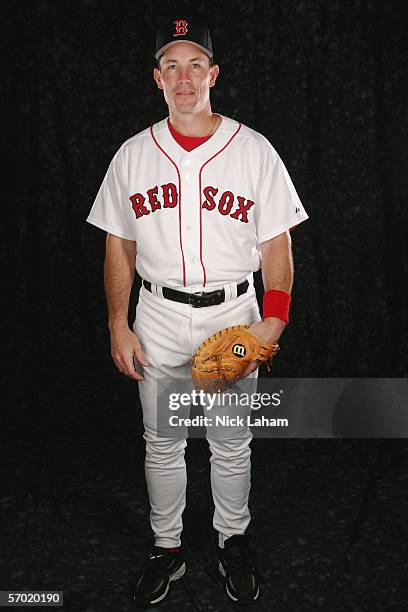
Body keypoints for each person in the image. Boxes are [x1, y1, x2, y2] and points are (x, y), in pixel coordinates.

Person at [86, 15, 308, 607]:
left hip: (234, 313)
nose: (184, 78)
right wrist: (117, 321)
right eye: (171, 66)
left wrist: (275, 319)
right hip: (156, 315)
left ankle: (232, 541)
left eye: (195, 65)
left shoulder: (254, 150)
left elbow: (277, 246)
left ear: (213, 73)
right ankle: (167, 548)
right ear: (157, 79)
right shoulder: (133, 155)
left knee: (231, 441)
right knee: (162, 440)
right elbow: (118, 243)